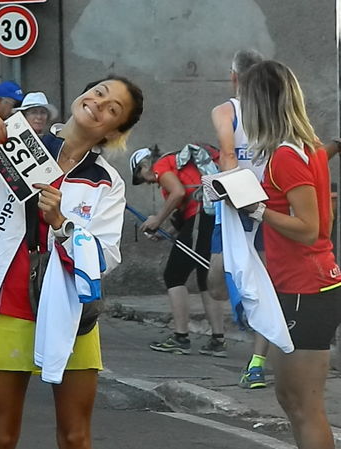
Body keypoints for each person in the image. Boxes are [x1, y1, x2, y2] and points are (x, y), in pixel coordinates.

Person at [0, 75, 144, 449]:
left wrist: (62, 226)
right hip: (9, 301)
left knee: (75, 437)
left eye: (112, 109)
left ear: (116, 130)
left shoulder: (106, 180)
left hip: (71, 310)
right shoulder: (15, 142)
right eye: (99, 93)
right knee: (2, 437)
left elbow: (105, 257)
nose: (98, 105)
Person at [239, 60, 341, 449]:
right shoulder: (306, 148)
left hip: (307, 287)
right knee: (291, 399)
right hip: (301, 285)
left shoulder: (286, 155)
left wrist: (258, 210)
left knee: (303, 405)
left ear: (259, 103)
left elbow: (312, 228)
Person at [209, 49, 269, 388]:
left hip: (257, 207)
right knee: (217, 282)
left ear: (233, 76)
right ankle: (246, 310)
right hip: (236, 206)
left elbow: (229, 153)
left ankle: (257, 363)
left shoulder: (269, 112)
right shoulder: (228, 110)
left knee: (260, 286)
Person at [133, 145, 227, 357]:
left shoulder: (162, 165)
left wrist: (157, 218)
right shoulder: (178, 166)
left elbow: (178, 193)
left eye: (141, 176)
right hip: (210, 216)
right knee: (205, 276)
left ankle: (180, 337)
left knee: (173, 275)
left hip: (202, 217)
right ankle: (218, 341)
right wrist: (164, 230)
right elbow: (184, 208)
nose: (147, 182)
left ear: (144, 164)